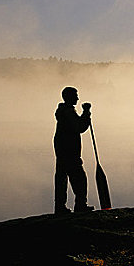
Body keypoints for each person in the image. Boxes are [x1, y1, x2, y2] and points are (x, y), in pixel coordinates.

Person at [53, 86, 95, 215]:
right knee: (79, 178)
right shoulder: (68, 112)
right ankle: (80, 205)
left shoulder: (65, 111)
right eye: (75, 95)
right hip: (69, 151)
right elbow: (79, 127)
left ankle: (60, 207)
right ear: (69, 97)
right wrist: (86, 112)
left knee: (62, 178)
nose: (77, 98)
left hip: (62, 150)